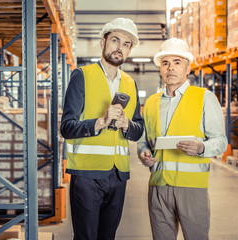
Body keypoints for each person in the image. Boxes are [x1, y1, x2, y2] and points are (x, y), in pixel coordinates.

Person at [60, 18, 144, 239]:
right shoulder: (82, 76)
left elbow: (138, 130)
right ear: (103, 42)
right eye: (115, 40)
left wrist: (128, 125)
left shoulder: (130, 84)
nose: (119, 47)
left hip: (118, 176)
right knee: (86, 236)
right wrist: (100, 122)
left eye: (126, 44)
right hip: (87, 175)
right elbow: (67, 128)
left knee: (108, 236)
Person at [137, 38, 228, 240]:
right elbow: (144, 141)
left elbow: (221, 141)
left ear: (187, 68)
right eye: (165, 63)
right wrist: (143, 153)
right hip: (158, 187)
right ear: (160, 68)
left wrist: (200, 148)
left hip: (192, 188)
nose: (171, 68)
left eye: (177, 62)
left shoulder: (204, 97)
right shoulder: (151, 103)